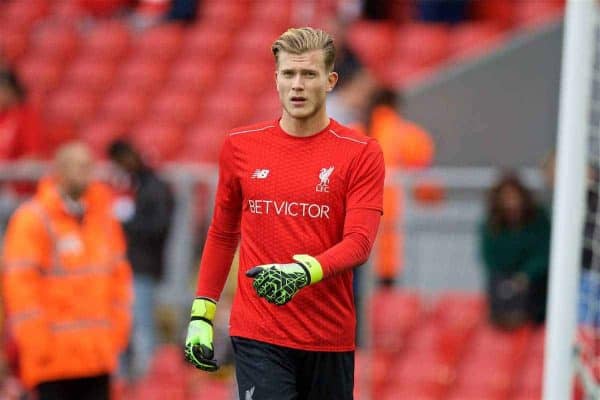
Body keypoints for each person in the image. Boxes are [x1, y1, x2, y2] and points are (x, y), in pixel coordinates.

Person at [183, 27, 385, 400]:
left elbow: (359, 243)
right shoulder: (240, 146)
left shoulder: (361, 153)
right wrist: (201, 313)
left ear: (330, 81)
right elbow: (223, 233)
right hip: (258, 331)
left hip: (328, 335)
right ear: (276, 78)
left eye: (309, 74)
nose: (298, 85)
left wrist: (303, 272)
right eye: (289, 74)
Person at [1, 142, 133, 400]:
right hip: (52, 361)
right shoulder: (32, 220)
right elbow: (20, 287)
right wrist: (37, 344)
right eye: (79, 164)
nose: (87, 171)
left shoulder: (103, 219)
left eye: (89, 165)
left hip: (97, 356)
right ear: (59, 170)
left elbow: (119, 278)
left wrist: (116, 332)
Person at [107, 139, 174, 378]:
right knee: (125, 326)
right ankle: (125, 381)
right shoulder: (136, 185)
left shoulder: (153, 187)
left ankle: (148, 383)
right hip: (130, 266)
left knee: (142, 328)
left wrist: (128, 222)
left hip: (143, 266)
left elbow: (158, 226)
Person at [478, 172, 551, 329]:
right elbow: (489, 257)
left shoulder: (538, 220)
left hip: (536, 283)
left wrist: (525, 275)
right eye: (506, 197)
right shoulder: (492, 225)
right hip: (504, 279)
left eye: (513, 196)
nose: (511, 202)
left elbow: (544, 253)